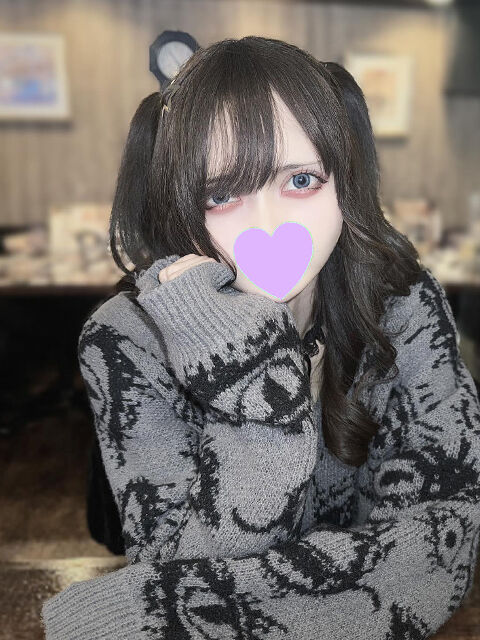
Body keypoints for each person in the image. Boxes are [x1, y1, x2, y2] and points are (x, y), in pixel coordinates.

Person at [42, 36, 480, 640]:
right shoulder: (125, 340)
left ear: (345, 182)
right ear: (179, 203)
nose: (269, 224)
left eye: (301, 179)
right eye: (221, 194)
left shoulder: (402, 300)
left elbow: (442, 548)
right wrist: (251, 381)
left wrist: (137, 616)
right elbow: (177, 570)